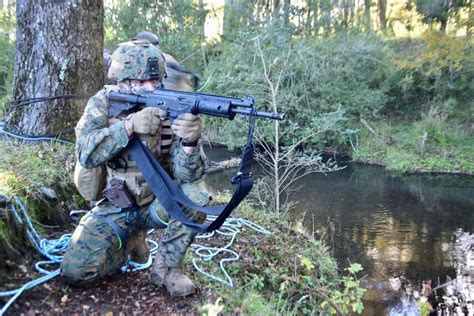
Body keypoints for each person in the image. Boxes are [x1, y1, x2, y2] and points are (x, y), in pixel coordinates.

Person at [61, 40, 210, 297]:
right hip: (115, 206)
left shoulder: (170, 107)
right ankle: (129, 243)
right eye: (142, 82)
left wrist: (190, 142)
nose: (152, 87)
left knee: (197, 197)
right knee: (75, 273)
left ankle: (165, 270)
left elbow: (190, 176)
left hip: (157, 204)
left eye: (155, 79)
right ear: (123, 81)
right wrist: (128, 127)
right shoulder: (104, 103)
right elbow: (85, 153)